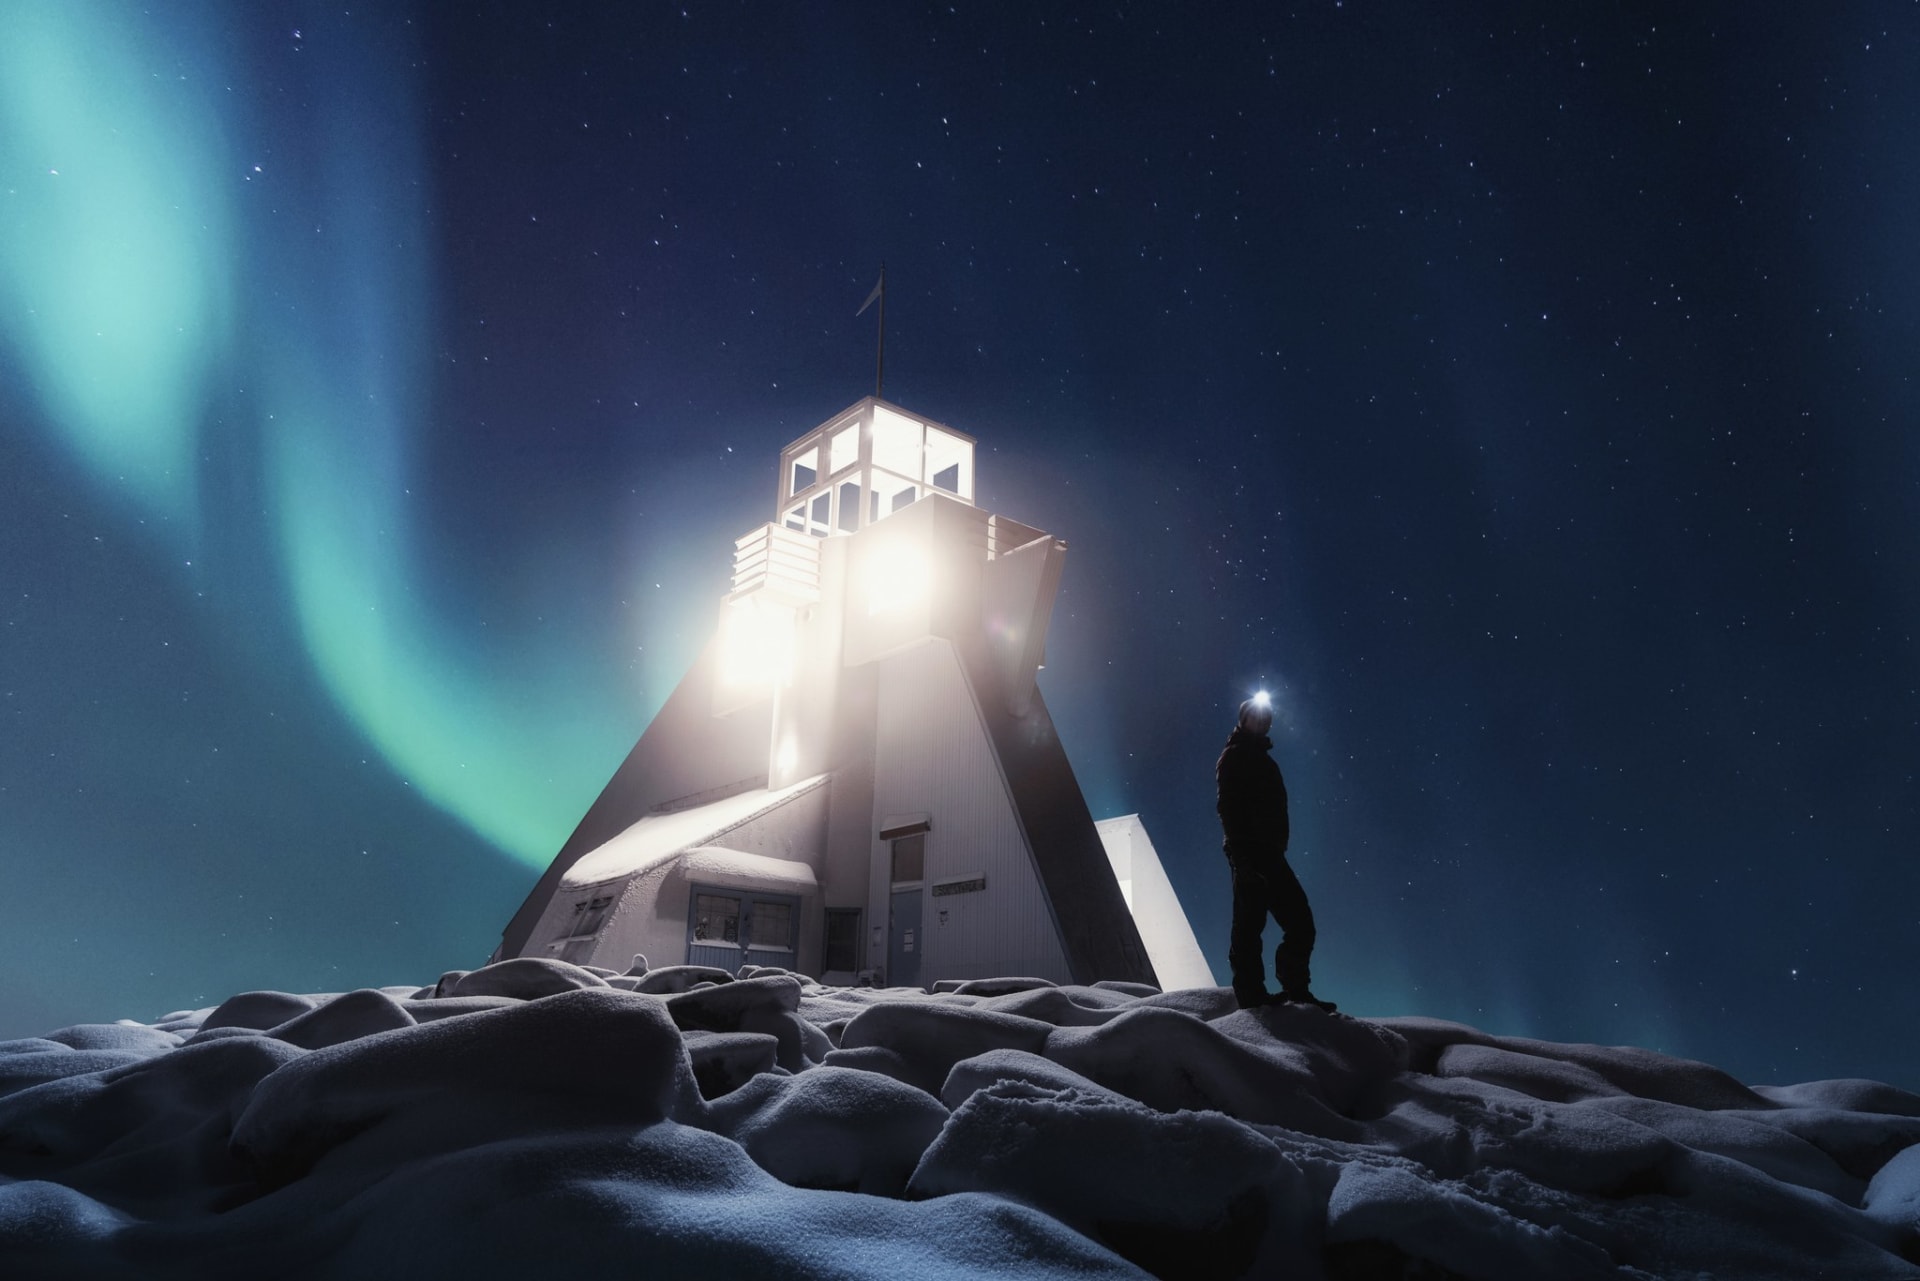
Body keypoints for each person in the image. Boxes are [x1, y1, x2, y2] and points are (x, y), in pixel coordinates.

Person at [1215, 693, 1335, 1011]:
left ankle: (1296, 988)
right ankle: (1251, 997)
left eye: (1267, 718)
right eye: (1257, 716)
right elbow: (1228, 806)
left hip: (1271, 854)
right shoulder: (1235, 755)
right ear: (1244, 720)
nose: (1263, 722)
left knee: (1300, 921)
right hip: (1248, 852)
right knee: (1249, 925)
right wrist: (1240, 856)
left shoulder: (1264, 760)